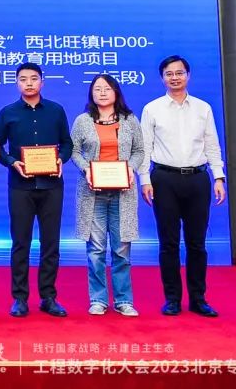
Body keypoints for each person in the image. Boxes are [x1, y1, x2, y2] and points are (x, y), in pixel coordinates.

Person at [139, 55, 226, 318]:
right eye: (169, 73)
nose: (174, 77)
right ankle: (172, 299)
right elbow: (145, 148)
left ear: (188, 75)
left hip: (198, 179)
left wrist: (218, 177)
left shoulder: (203, 108)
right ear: (162, 78)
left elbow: (212, 144)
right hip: (164, 179)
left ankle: (199, 299)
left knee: (197, 243)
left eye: (179, 73)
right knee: (169, 243)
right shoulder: (152, 109)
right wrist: (145, 180)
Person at [0, 62, 72, 318]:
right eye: (23, 79)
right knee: (21, 243)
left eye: (33, 78)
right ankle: (20, 298)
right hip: (21, 187)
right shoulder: (7, 113)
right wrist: (11, 162)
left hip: (52, 186)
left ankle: (48, 297)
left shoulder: (56, 110)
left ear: (42, 82)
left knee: (51, 243)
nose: (28, 83)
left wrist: (61, 159)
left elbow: (67, 143)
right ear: (17, 83)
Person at [70, 73, 145, 317]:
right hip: (93, 193)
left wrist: (131, 168)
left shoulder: (129, 120)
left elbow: (139, 150)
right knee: (96, 250)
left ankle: (124, 300)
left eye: (107, 88)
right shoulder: (83, 120)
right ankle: (98, 299)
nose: (102, 93)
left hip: (123, 194)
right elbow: (73, 151)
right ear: (91, 93)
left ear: (116, 92)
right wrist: (86, 169)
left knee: (122, 249)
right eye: (97, 89)